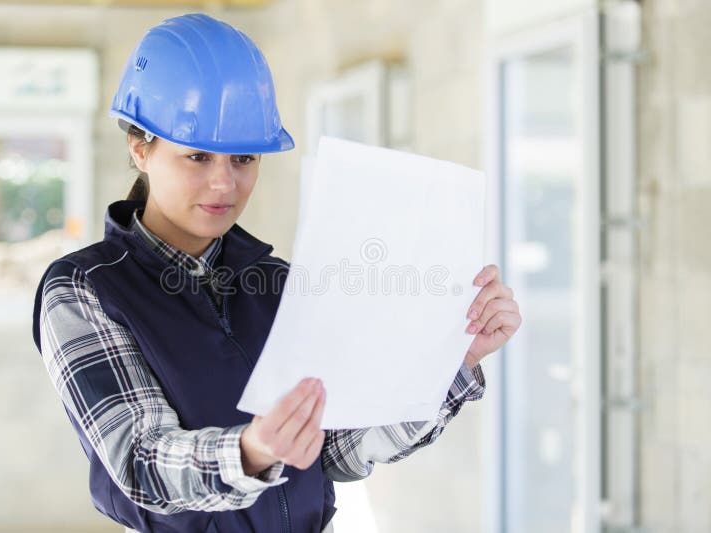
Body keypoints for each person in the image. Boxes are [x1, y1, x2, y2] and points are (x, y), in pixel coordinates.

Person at [30, 13, 521, 533]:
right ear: (139, 148)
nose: (225, 184)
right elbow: (140, 462)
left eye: (243, 158)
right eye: (198, 156)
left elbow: (335, 453)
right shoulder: (86, 290)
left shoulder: (276, 281)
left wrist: (453, 361)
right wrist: (250, 451)